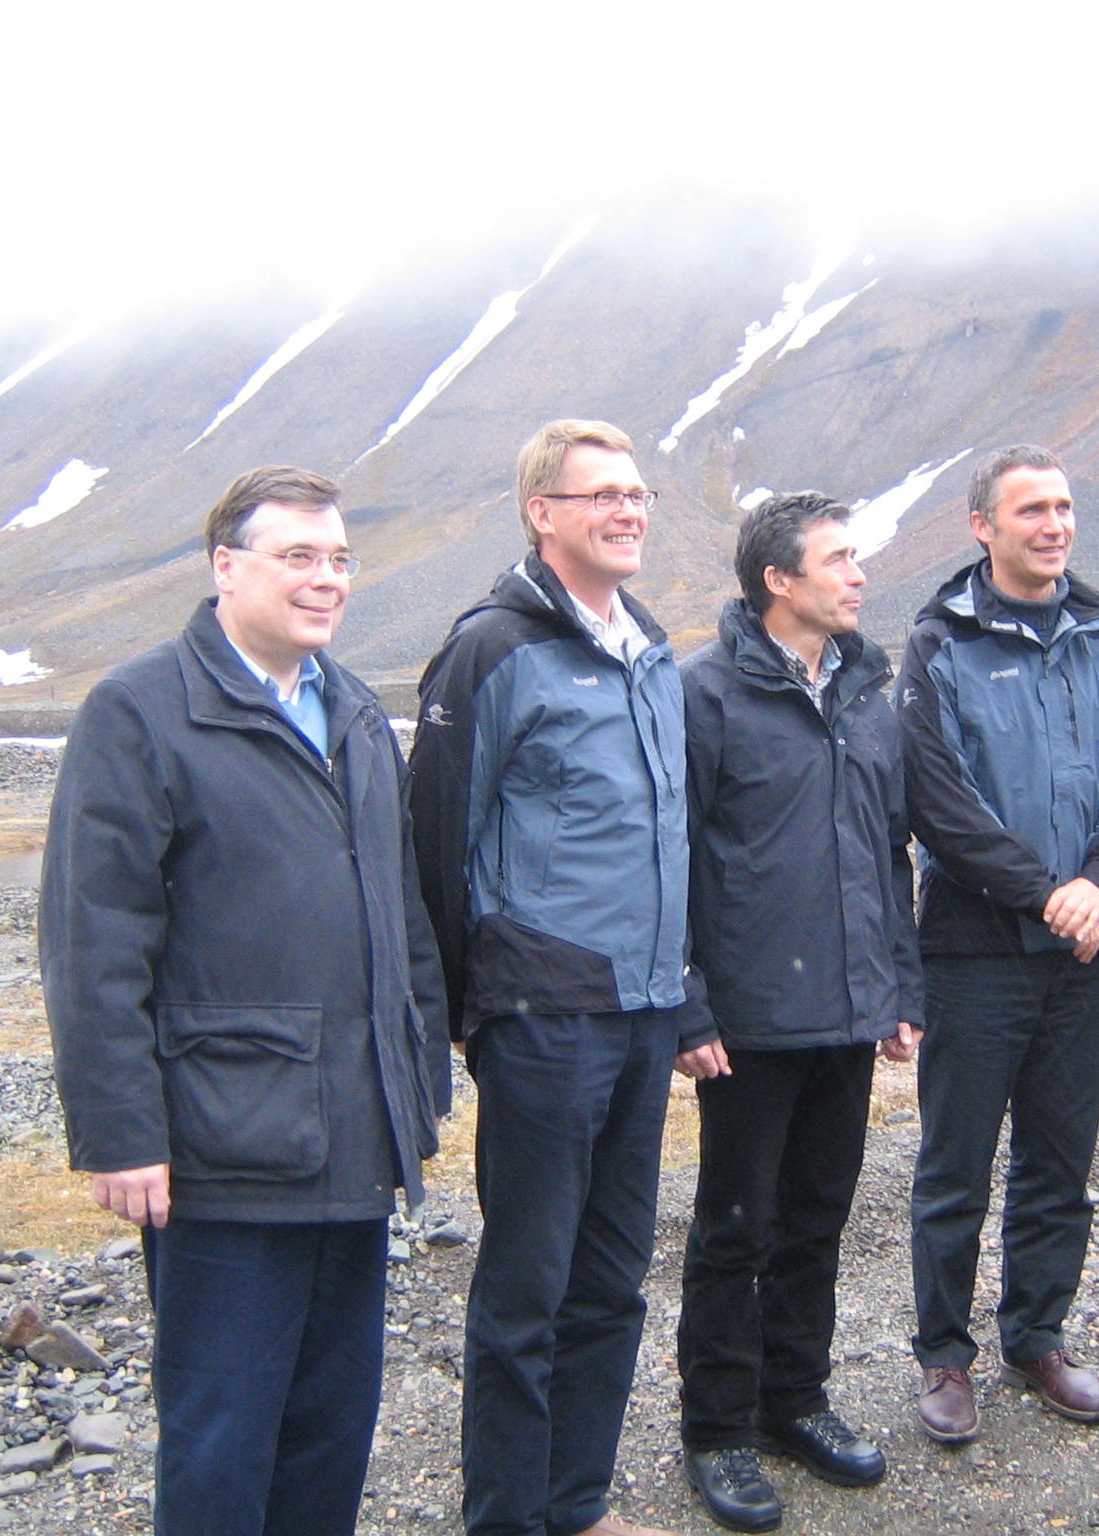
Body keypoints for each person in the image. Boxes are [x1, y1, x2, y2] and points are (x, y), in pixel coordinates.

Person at [39, 465, 448, 1536]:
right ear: (227, 567)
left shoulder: (355, 710)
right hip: (224, 1149)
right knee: (223, 1431)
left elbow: (400, 919)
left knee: (332, 1424)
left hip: (353, 1141)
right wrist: (121, 1133)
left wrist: (416, 1090)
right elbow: (95, 942)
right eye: (298, 558)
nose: (327, 581)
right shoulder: (139, 713)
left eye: (340, 559)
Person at [411, 420, 691, 1536]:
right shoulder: (490, 649)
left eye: (636, 495)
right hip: (540, 1018)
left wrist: (685, 992)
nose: (626, 512)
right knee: (524, 1291)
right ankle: (505, 1519)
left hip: (644, 1011)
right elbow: (434, 839)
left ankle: (574, 1504)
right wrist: (454, 1017)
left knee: (613, 1281)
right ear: (543, 513)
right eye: (600, 496)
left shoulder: (651, 645)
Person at [672, 493, 924, 1532]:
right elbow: (671, 857)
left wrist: (899, 989)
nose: (857, 576)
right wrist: (686, 1005)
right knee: (735, 1226)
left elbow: (887, 851)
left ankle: (794, 1402)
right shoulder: (704, 695)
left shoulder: (870, 694)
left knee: (816, 1218)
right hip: (745, 1017)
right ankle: (717, 1430)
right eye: (837, 560)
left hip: (847, 1010)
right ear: (778, 580)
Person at [896, 444, 1099, 1444]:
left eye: (1062, 507)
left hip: (1082, 951)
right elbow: (937, 799)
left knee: (1058, 1155)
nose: (1052, 525)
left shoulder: (1098, 632)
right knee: (954, 1163)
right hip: (971, 951)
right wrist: (1043, 893)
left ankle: (1036, 1335)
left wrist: (1097, 885)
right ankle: (943, 1356)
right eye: (1029, 510)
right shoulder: (940, 642)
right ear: (982, 527)